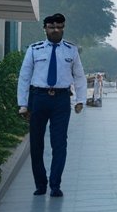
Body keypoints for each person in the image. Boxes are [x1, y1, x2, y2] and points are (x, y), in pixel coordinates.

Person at [16, 13, 86, 197]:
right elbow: (24, 77)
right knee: (36, 143)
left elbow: (79, 76)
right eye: (52, 27)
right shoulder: (34, 49)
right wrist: (22, 104)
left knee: (59, 143)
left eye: (59, 27)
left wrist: (80, 100)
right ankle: (40, 184)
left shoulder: (71, 50)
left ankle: (55, 184)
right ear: (45, 29)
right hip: (38, 98)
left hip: (61, 100)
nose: (56, 30)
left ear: (63, 28)